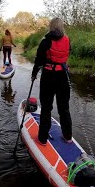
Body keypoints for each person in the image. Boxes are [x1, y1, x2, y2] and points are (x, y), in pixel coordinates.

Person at [31, 17, 72, 146]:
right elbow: (66, 56)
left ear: (51, 26)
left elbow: (39, 61)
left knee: (46, 108)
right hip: (63, 77)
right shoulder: (67, 40)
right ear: (62, 26)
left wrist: (34, 74)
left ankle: (42, 139)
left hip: (48, 76)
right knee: (64, 108)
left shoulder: (45, 42)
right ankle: (68, 136)